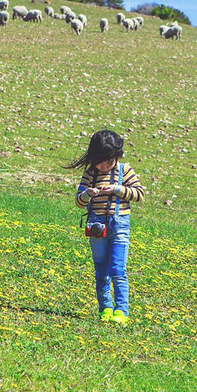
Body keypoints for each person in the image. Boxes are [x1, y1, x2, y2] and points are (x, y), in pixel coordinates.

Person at [64, 129, 145, 325]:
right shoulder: (90, 174)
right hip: (96, 227)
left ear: (117, 156)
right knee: (101, 270)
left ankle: (121, 310)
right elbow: (79, 202)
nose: (104, 166)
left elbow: (139, 194)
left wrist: (118, 190)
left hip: (119, 227)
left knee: (118, 268)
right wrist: (87, 195)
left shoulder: (124, 170)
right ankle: (105, 308)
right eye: (100, 161)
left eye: (109, 161)